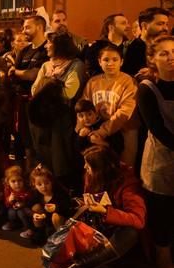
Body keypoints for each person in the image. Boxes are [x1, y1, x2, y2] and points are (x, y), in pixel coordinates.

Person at [55, 146, 146, 268]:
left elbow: (138, 219)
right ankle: (69, 258)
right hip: (99, 220)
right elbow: (89, 195)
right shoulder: (92, 175)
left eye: (88, 164)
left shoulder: (128, 183)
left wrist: (105, 211)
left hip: (116, 224)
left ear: (101, 168)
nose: (85, 167)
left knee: (130, 233)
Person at [137, 35, 174, 268]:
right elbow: (158, 128)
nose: (171, 58)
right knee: (163, 213)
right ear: (152, 58)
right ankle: (163, 258)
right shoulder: (147, 89)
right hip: (161, 161)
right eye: (164, 53)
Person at [30, 32, 86, 190]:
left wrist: (49, 82)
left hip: (62, 119)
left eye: (49, 43)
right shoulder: (46, 65)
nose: (46, 46)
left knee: (61, 157)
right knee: (45, 155)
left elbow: (69, 93)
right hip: (43, 119)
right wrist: (49, 82)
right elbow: (35, 90)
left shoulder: (76, 66)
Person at [79, 44, 138, 165]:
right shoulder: (93, 82)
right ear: (99, 62)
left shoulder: (129, 81)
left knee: (124, 166)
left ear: (121, 62)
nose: (110, 63)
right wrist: (82, 127)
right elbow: (82, 106)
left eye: (115, 60)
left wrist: (103, 131)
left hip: (125, 129)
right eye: (106, 60)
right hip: (97, 130)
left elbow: (125, 111)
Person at [8, 16, 49, 168]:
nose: (24, 31)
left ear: (39, 27)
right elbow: (13, 75)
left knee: (36, 144)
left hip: (37, 105)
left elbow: (35, 75)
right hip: (20, 104)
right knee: (22, 143)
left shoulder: (47, 49)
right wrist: (20, 73)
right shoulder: (24, 50)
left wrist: (17, 72)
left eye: (27, 27)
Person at [27, 165, 71, 244]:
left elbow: (67, 206)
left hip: (59, 220)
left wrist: (56, 207)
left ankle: (60, 237)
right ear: (34, 185)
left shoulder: (59, 193)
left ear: (51, 182)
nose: (44, 187)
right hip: (45, 218)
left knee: (55, 216)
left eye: (47, 183)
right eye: (39, 184)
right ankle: (40, 232)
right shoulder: (36, 194)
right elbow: (28, 206)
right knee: (35, 208)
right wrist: (34, 215)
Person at [123, 7, 171, 79]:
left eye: (166, 24)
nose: (166, 28)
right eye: (160, 24)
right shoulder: (131, 48)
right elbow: (126, 77)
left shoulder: (170, 45)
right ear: (144, 26)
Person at [2, 165, 32, 233]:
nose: (17, 184)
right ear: (8, 182)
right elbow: (6, 204)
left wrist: (22, 202)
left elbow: (30, 199)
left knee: (21, 212)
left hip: (25, 208)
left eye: (19, 180)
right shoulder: (8, 189)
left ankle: (28, 228)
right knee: (11, 212)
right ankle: (14, 224)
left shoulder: (25, 189)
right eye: (13, 181)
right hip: (13, 208)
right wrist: (9, 200)